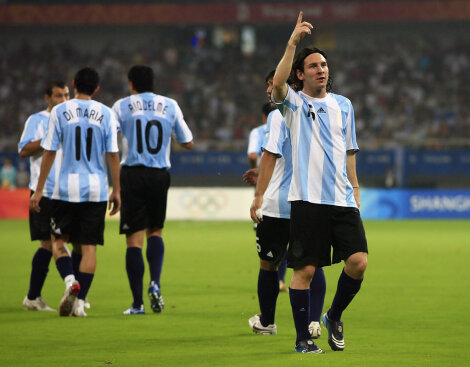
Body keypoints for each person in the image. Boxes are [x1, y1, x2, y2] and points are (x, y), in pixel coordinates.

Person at [267, 12, 368, 353]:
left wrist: (355, 189)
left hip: (342, 199)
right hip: (308, 201)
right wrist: (293, 43)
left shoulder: (344, 105)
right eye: (312, 66)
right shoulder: (293, 103)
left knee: (358, 262)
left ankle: (333, 315)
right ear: (301, 73)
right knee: (305, 270)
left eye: (323, 65)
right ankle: (301, 339)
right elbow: (278, 83)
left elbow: (349, 152)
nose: (321, 69)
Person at [30, 67, 121, 317]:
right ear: (97, 89)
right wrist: (117, 190)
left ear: (74, 84)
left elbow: (48, 152)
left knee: (58, 240)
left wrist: (39, 190)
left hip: (65, 188)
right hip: (96, 189)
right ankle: (80, 303)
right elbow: (113, 154)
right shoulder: (106, 113)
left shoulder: (59, 111)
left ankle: (70, 281)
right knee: (89, 246)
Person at [245, 70, 326, 338]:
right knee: (312, 264)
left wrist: (258, 194)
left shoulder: (279, 115)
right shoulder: (318, 114)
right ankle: (314, 322)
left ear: (288, 86)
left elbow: (269, 155)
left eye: (272, 86)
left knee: (268, 265)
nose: (269, 91)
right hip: (311, 202)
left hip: (278, 205)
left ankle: (267, 322)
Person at [112, 65, 194, 315]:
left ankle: (137, 304)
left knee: (133, 240)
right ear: (153, 82)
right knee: (155, 232)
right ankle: (155, 283)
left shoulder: (121, 106)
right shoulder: (170, 105)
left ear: (131, 83)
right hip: (159, 175)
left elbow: (108, 136)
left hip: (132, 174)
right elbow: (188, 142)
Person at [18, 80, 70, 311]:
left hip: (68, 191)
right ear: (47, 98)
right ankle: (72, 286)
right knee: (50, 243)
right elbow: (24, 150)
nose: (64, 101)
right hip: (45, 191)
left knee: (56, 244)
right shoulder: (36, 120)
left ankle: (33, 297)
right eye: (59, 96)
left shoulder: (71, 119)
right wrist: (49, 136)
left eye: (67, 95)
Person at [247, 101, 288, 292]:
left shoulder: (259, 130)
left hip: (268, 187)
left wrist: (257, 166)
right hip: (289, 190)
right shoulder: (295, 121)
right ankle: (280, 279)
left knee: (267, 247)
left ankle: (272, 276)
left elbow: (253, 153)